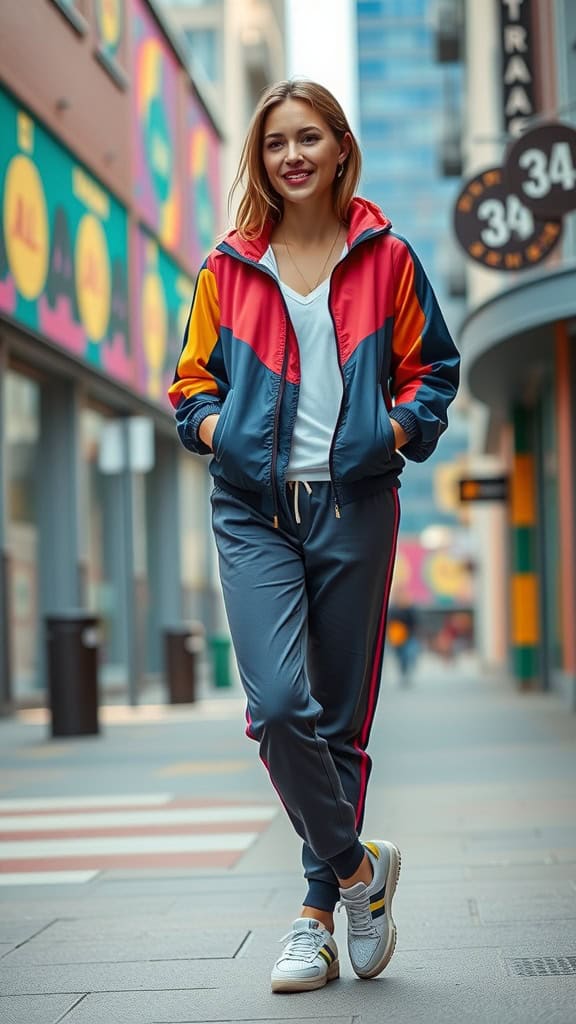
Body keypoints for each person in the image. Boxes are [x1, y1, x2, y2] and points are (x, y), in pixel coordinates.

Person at [169, 79, 460, 993]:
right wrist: (224, 433)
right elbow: (188, 387)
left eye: (308, 138)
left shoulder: (388, 258)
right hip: (253, 509)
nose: (290, 156)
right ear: (259, 161)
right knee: (280, 709)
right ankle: (359, 871)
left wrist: (394, 433)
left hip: (355, 506)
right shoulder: (226, 268)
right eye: (274, 144)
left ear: (339, 148)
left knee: (339, 717)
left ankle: (312, 919)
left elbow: (433, 375)